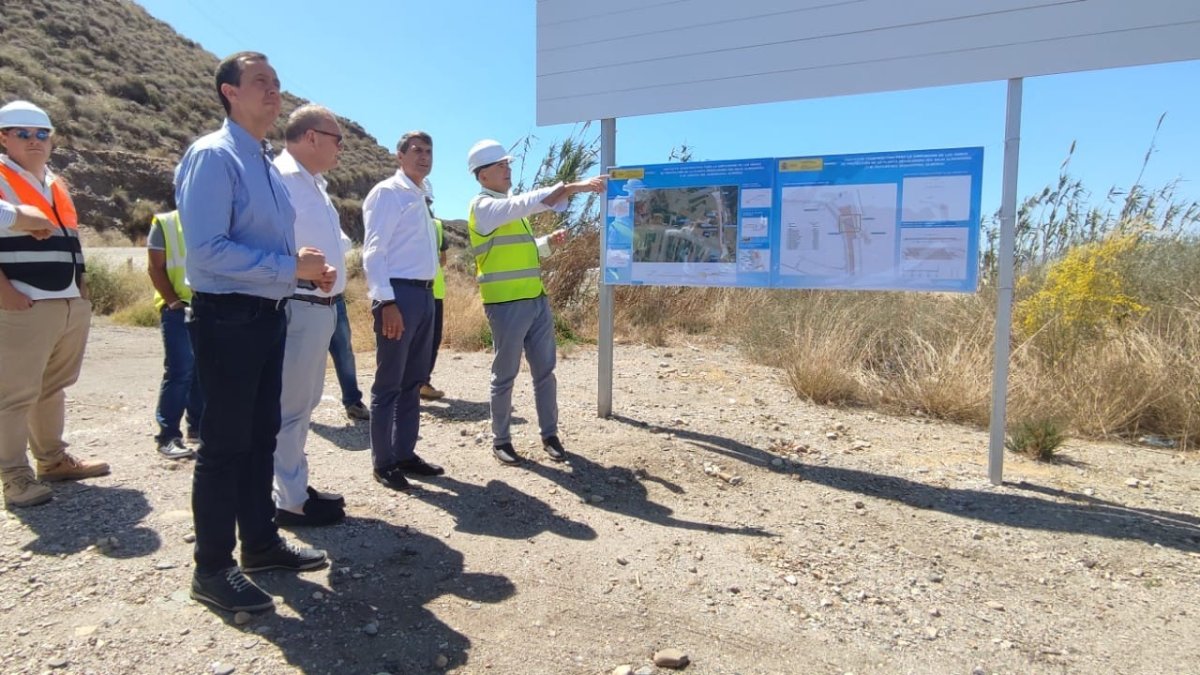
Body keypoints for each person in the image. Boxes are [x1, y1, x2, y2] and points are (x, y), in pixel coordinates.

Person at [176, 52, 331, 613]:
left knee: (261, 434)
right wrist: (291, 268)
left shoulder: (263, 162)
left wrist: (302, 267)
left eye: (277, 82)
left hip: (266, 317)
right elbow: (207, 251)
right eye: (259, 82)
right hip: (227, 319)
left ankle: (260, 545)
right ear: (228, 92)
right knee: (223, 446)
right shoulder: (214, 157)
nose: (273, 91)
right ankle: (211, 568)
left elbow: (261, 247)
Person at [464, 139, 605, 465]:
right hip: (506, 305)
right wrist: (574, 187)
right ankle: (501, 441)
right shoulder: (483, 207)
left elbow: (516, 252)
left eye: (507, 164)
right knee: (505, 374)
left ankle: (549, 435)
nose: (507, 169)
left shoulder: (508, 209)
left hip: (535, 300)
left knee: (545, 371)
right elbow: (528, 204)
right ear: (482, 175)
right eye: (500, 165)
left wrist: (544, 244)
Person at [0, 100, 110, 509]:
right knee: (14, 394)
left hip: (66, 298)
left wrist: (80, 289)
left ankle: (52, 460)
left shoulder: (55, 182)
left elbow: (71, 236)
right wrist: (17, 218)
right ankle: (13, 477)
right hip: (23, 300)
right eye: (23, 134)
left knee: (52, 388)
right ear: (4, 138)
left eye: (42, 134)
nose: (34, 141)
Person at [271, 104, 348, 527]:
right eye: (336, 139)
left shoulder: (312, 183)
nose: (341, 148)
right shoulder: (282, 180)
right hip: (297, 303)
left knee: (303, 403)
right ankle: (290, 499)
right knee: (291, 406)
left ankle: (292, 486)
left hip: (318, 304)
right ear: (311, 137)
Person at [361, 131, 444, 490]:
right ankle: (383, 462)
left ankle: (405, 453)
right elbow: (373, 252)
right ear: (399, 156)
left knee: (413, 381)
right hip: (399, 296)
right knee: (389, 383)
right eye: (416, 151)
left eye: (428, 151)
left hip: (424, 296)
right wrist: (386, 302)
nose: (424, 156)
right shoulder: (388, 193)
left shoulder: (422, 196)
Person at [146, 209, 202, 460]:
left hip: (208, 307)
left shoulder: (215, 217)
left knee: (203, 370)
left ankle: (198, 428)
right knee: (180, 371)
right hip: (178, 308)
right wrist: (172, 301)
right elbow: (155, 267)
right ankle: (168, 435)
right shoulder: (166, 223)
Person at [420, 202, 448, 401]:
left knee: (424, 340)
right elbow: (443, 259)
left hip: (428, 290)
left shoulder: (435, 225)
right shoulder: (436, 225)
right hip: (431, 292)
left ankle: (420, 384)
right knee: (429, 340)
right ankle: (420, 383)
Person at [329, 293, 370, 420]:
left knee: (344, 353)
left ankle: (353, 403)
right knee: (306, 357)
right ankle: (293, 406)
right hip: (303, 301)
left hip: (335, 300)